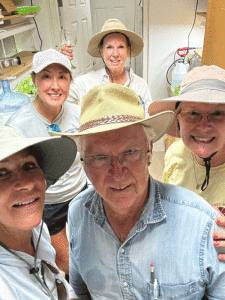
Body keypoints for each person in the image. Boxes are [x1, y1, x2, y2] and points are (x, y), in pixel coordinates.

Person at [50, 83, 225, 299]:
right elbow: (81, 292)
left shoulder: (204, 224)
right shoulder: (78, 213)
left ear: (150, 151)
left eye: (130, 151)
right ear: (84, 162)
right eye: (99, 157)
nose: (117, 172)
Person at [6, 49, 87, 276]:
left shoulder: (78, 114)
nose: (55, 86)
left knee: (89, 250)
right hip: (48, 202)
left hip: (80, 192)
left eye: (62, 76)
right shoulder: (18, 125)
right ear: (34, 80)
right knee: (67, 263)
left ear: (70, 81)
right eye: (46, 76)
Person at [148, 65, 225, 261]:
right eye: (192, 113)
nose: (203, 125)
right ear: (179, 118)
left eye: (217, 113)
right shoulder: (175, 154)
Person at [0, 126, 77, 299]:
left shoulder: (36, 229)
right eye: (1, 174)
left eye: (29, 166)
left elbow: (54, 282)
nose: (26, 184)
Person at [61, 19, 152, 117]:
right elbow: (56, 94)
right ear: (101, 51)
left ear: (128, 50)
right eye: (109, 47)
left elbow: (148, 117)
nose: (115, 54)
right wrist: (59, 65)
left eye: (121, 47)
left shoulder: (140, 85)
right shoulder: (85, 83)